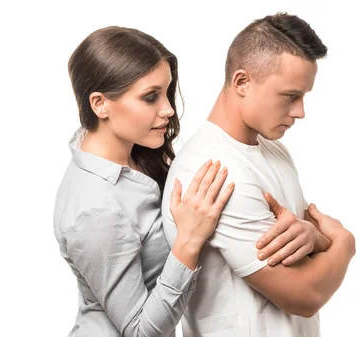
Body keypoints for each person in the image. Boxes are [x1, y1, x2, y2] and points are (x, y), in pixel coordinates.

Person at [53, 26, 317, 337]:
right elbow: (140, 332)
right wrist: (189, 241)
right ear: (100, 104)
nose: (167, 109)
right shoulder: (95, 209)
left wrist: (312, 233)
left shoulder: (139, 156)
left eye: (167, 92)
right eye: (150, 97)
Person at [161, 13, 356, 337]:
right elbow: (304, 295)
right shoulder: (216, 171)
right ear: (242, 82)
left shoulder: (272, 150)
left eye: (304, 96)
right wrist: (345, 243)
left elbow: (312, 231)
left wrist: (316, 237)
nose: (300, 112)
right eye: (290, 96)